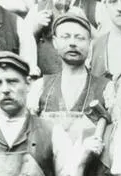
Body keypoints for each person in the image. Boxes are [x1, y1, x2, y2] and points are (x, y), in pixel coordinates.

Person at [28, 13, 108, 141]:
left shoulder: (106, 88)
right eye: (65, 37)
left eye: (79, 38)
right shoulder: (40, 86)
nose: (72, 43)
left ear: (90, 44)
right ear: (55, 42)